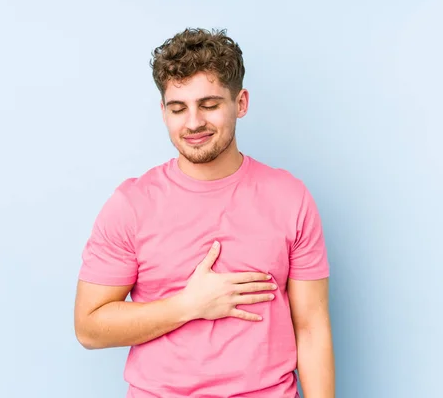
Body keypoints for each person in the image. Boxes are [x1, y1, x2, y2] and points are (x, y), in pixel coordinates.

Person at [74, 28, 335, 398]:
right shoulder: (131, 205)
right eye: (178, 108)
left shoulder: (290, 197)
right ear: (163, 112)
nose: (193, 122)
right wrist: (189, 305)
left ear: (240, 103)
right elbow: (89, 327)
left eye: (209, 105)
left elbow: (311, 327)